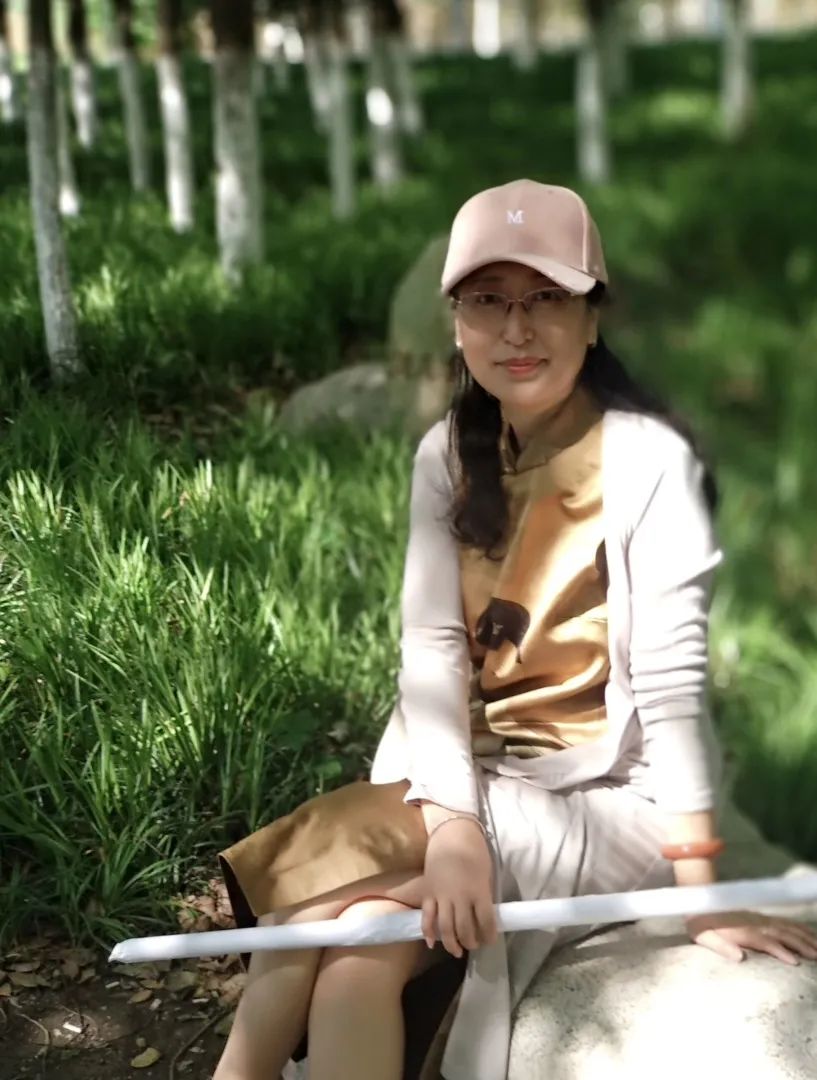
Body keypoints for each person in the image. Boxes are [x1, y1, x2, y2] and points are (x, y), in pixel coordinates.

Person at [212, 179, 817, 1080]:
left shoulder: (649, 462)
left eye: (545, 299)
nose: (516, 329)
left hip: (604, 799)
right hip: (462, 785)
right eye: (488, 301)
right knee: (353, 958)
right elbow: (430, 655)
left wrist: (702, 894)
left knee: (309, 909)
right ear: (455, 322)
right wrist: (455, 830)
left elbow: (670, 689)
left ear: (592, 316)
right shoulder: (446, 455)